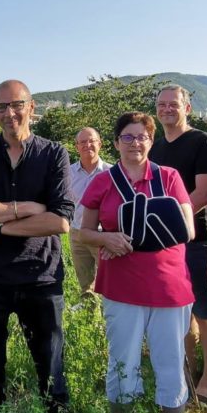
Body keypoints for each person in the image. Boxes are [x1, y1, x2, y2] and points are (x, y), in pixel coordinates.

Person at [0, 80, 74, 413]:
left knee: (51, 370)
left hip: (41, 277)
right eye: (0, 107)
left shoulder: (54, 153)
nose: (9, 113)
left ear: (31, 107)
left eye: (16, 104)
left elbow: (60, 221)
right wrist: (26, 207)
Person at [78, 111, 195, 413]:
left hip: (168, 285)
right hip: (122, 286)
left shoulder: (169, 177)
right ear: (116, 143)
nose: (134, 143)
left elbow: (186, 229)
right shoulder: (102, 181)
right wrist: (107, 238)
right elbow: (84, 232)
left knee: (171, 360)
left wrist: (137, 237)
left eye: (141, 136)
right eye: (127, 137)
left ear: (151, 140)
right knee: (122, 361)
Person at [149, 85, 207, 404]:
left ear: (187, 108)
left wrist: (167, 223)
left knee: (206, 315)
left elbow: (205, 192)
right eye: (161, 104)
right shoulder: (155, 149)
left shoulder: (203, 142)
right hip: (165, 247)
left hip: (199, 241)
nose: (167, 109)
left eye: (174, 104)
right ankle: (187, 377)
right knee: (180, 316)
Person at [66, 127, 112, 308]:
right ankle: (90, 317)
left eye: (92, 140)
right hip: (76, 233)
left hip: (102, 235)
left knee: (109, 280)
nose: (88, 145)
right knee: (85, 281)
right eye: (82, 142)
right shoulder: (68, 173)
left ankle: (109, 317)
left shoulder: (111, 172)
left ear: (100, 144)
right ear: (76, 147)